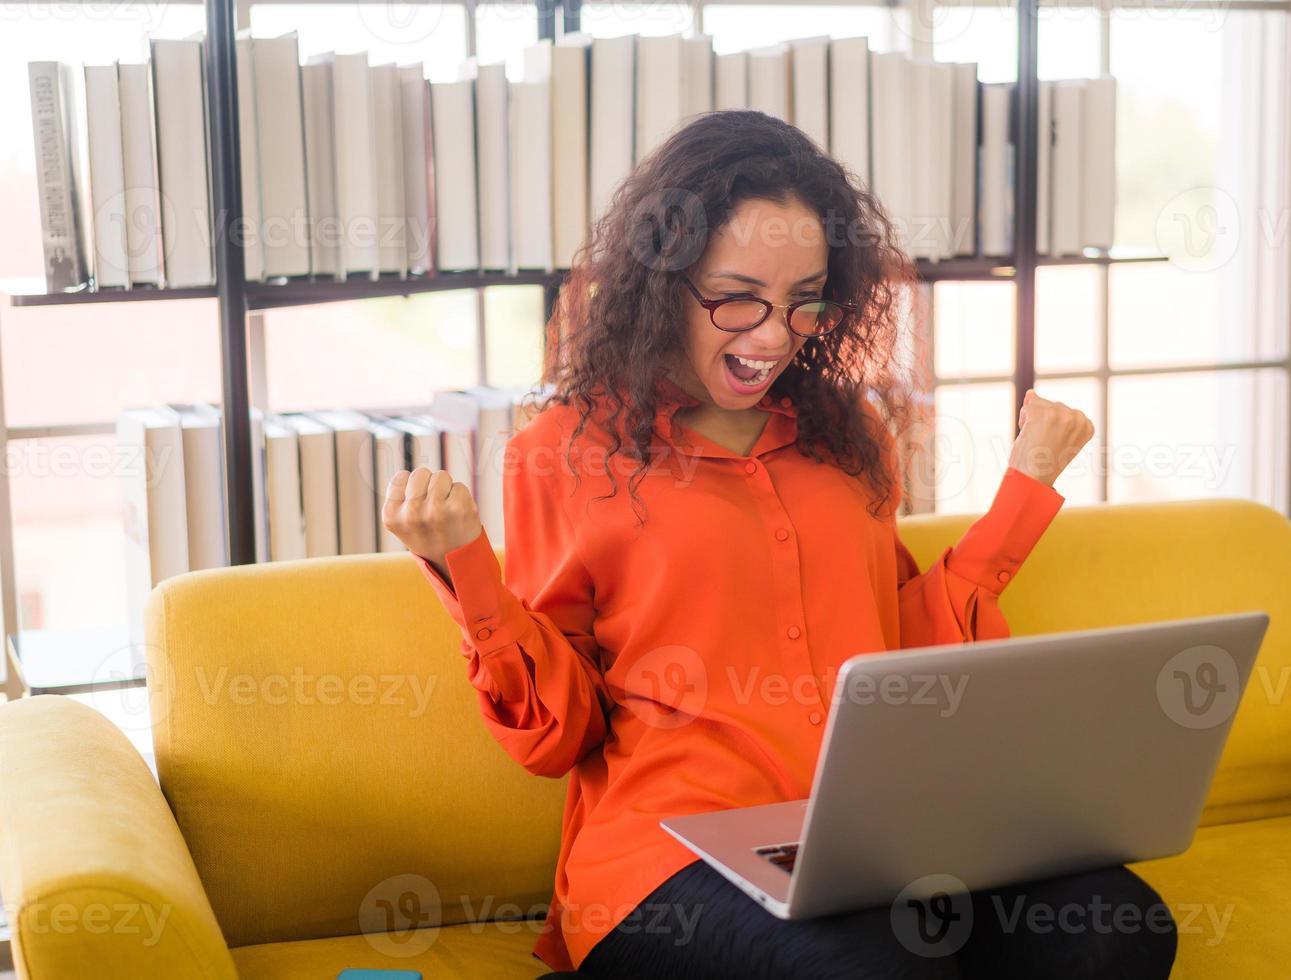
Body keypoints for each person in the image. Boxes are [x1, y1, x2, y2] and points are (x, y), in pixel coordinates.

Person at [382, 110, 1175, 979]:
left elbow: (902, 653)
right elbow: (557, 733)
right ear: (663, 277)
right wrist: (465, 566)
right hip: (669, 858)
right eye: (737, 298)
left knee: (1118, 928)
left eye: (805, 301)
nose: (773, 335)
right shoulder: (561, 453)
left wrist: (1024, 490)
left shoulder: (851, 438)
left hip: (868, 834)